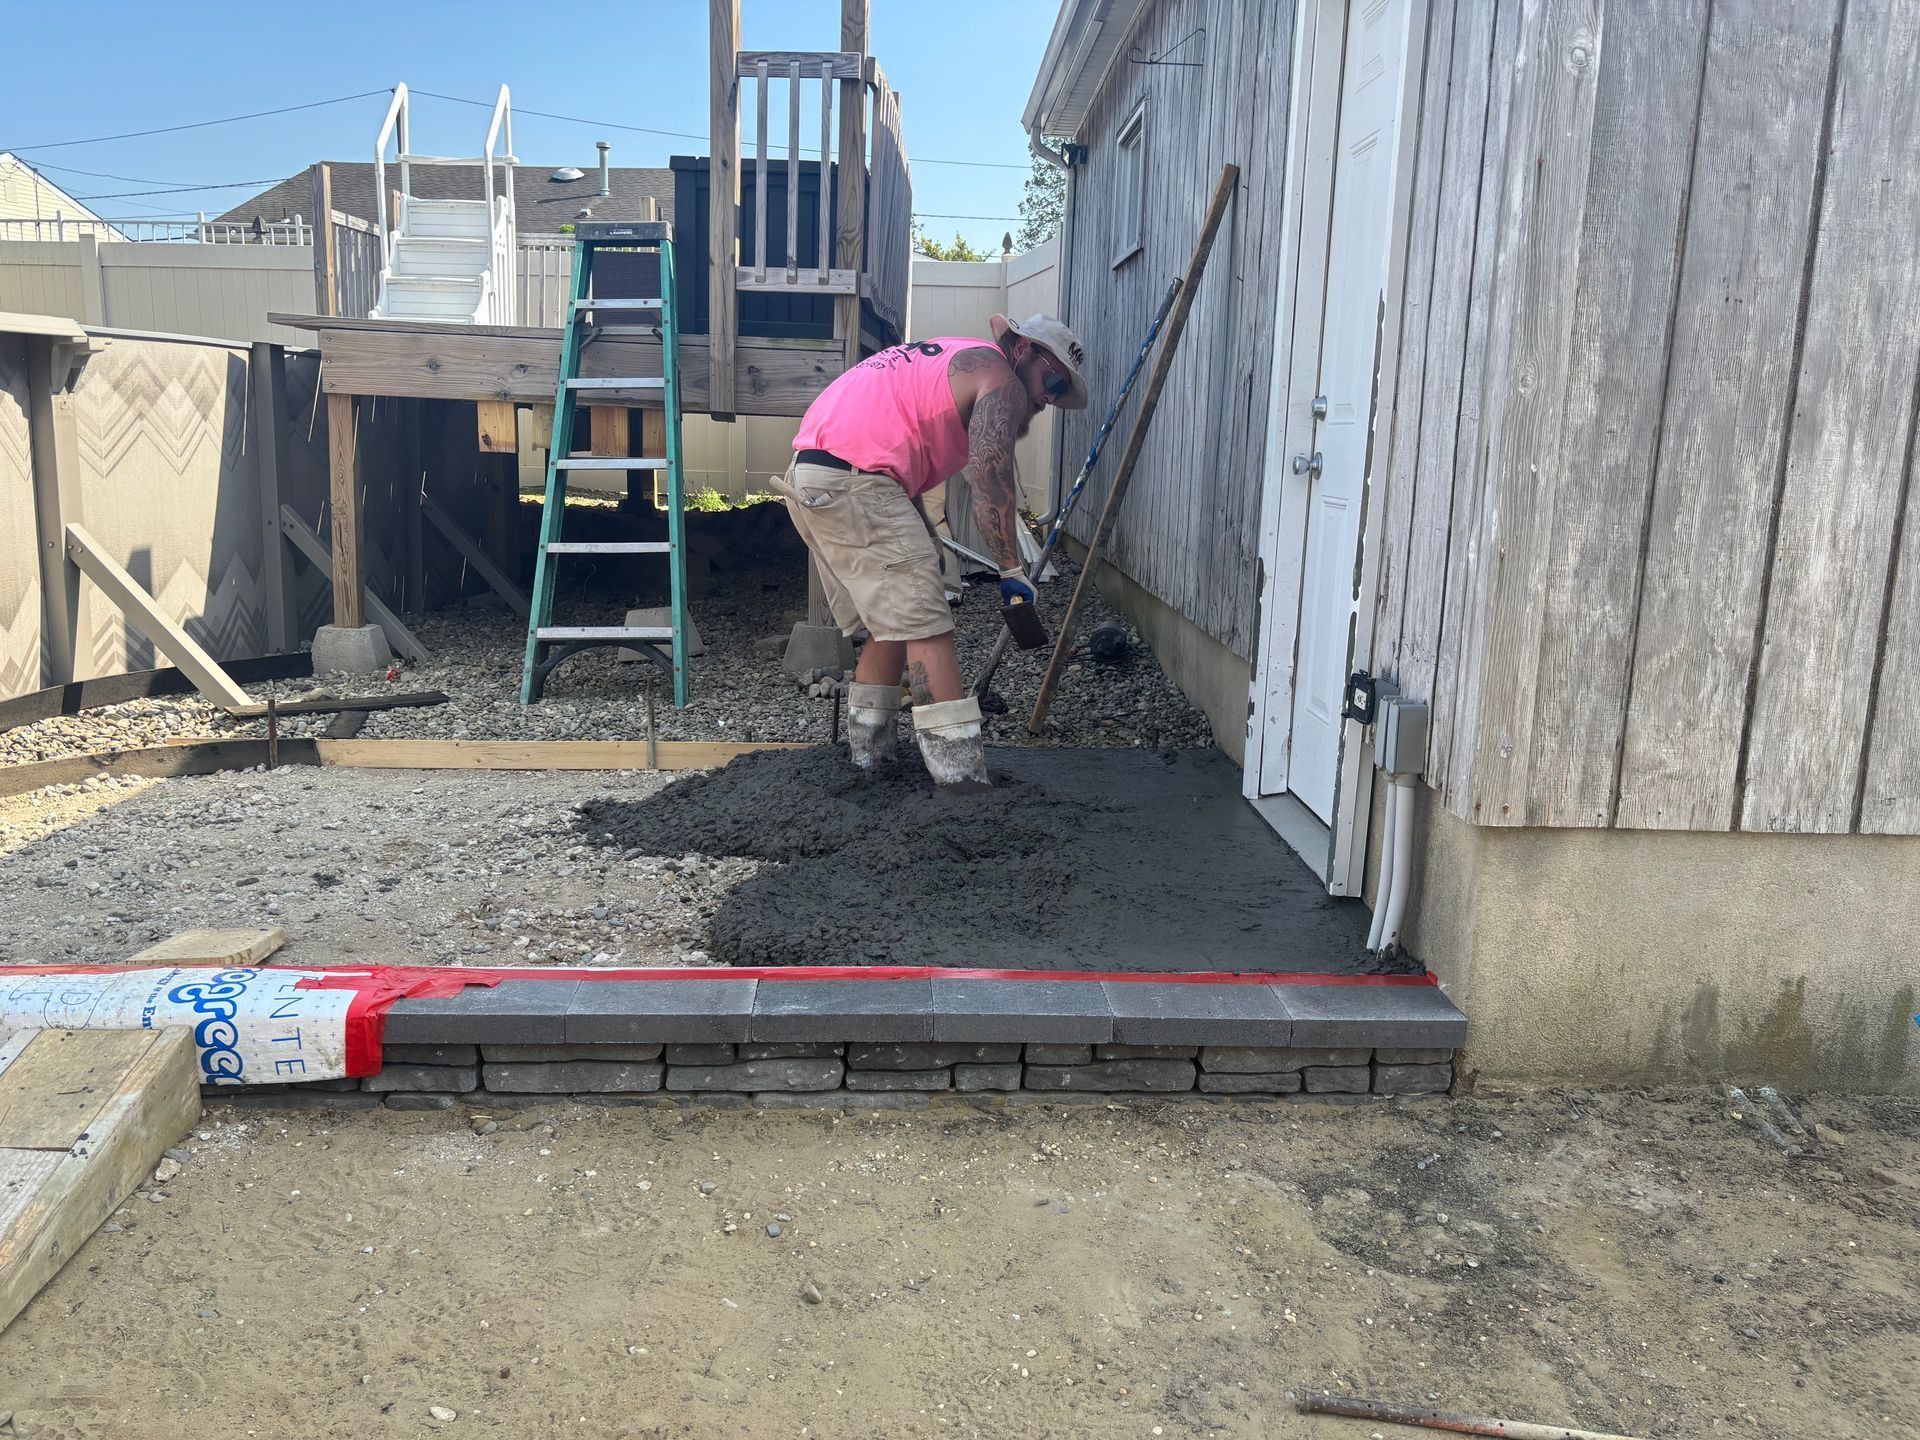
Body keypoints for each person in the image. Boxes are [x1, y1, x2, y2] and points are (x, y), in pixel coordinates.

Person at [770, 314, 1089, 790]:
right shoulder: (1001, 378)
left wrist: (928, 539)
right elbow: (991, 479)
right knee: (928, 624)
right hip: (857, 482)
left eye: (1060, 393)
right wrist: (1011, 568)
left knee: (894, 623)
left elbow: (899, 463)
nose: (1048, 397)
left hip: (816, 476)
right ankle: (961, 782)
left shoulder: (950, 361)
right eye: (1053, 380)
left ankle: (869, 762)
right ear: (1022, 349)